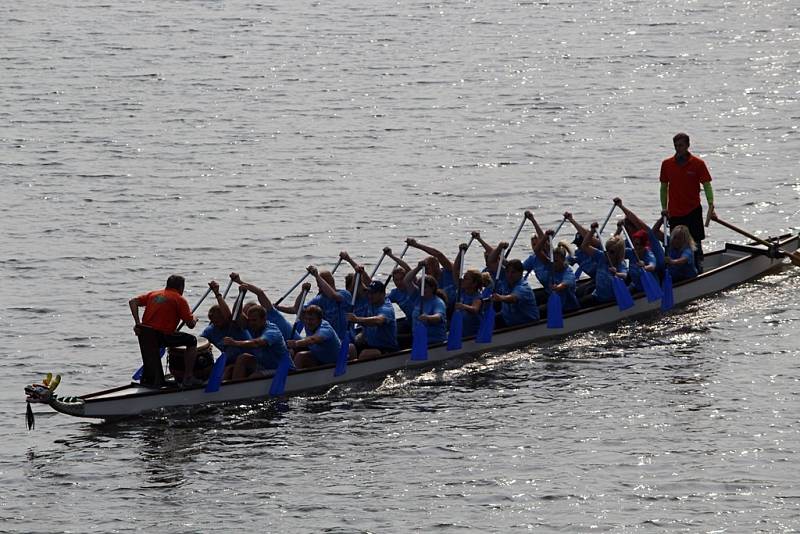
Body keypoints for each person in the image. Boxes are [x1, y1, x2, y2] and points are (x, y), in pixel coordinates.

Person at [129, 274, 199, 387]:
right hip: (162, 336)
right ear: (181, 287)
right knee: (192, 340)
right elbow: (191, 324)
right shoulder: (179, 299)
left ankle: (151, 378)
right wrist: (194, 318)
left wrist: (138, 323)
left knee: (169, 339)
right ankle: (188, 377)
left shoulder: (153, 295)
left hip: (146, 334)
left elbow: (133, 302)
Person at [660, 132, 715, 272]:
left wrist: (711, 205)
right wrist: (664, 208)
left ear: (688, 145)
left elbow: (707, 185)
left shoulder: (698, 164)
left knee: (695, 242)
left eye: (681, 145)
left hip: (693, 209)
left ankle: (699, 267)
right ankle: (676, 269)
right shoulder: (667, 164)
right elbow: (663, 187)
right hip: (675, 212)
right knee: (676, 243)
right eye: (676, 146)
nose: (678, 148)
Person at [224, 305, 289, 380]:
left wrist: (235, 343)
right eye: (250, 320)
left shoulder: (272, 332)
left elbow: (256, 343)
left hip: (282, 368)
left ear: (264, 319)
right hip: (264, 366)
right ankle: (235, 387)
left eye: (254, 320)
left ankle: (242, 388)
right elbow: (237, 314)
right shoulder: (254, 326)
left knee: (255, 377)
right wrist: (241, 294)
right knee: (243, 357)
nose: (251, 323)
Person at [229, 273, 297, 342]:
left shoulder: (271, 313)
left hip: (298, 344)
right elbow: (237, 314)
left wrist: (239, 282)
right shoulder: (250, 325)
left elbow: (260, 293)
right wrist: (241, 295)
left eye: (253, 318)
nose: (250, 321)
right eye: (248, 318)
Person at [201, 280, 251, 369]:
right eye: (214, 321)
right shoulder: (210, 331)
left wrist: (217, 293)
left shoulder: (235, 323)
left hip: (248, 360)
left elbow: (229, 315)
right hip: (229, 361)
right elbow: (199, 342)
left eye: (219, 319)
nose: (216, 323)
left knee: (229, 370)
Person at [346, 280, 398, 360]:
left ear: (382, 294)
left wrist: (357, 319)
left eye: (373, 293)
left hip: (387, 349)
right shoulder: (371, 302)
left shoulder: (386, 309)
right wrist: (358, 271)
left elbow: (378, 320)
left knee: (364, 354)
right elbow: (357, 286)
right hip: (371, 345)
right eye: (369, 293)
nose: (370, 295)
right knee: (350, 348)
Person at [578, 223, 628, 305]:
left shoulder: (620, 264)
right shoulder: (602, 256)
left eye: (611, 252)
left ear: (618, 253)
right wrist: (592, 231)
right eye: (607, 250)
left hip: (611, 299)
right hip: (597, 296)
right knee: (579, 297)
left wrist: (616, 273)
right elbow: (584, 246)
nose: (608, 253)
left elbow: (624, 275)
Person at [533, 232, 580, 312]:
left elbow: (564, 285)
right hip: (556, 304)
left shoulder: (568, 273)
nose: (554, 264)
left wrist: (557, 287)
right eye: (553, 261)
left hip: (569, 308)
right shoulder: (551, 265)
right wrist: (545, 237)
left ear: (563, 260)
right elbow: (537, 251)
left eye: (556, 261)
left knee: (537, 311)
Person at [405, 261, 448, 344]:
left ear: (432, 288)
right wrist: (418, 268)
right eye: (420, 287)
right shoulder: (417, 297)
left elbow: (438, 316)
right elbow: (407, 280)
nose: (422, 290)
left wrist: (428, 318)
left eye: (425, 287)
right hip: (419, 340)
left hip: (435, 342)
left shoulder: (438, 302)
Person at [287, 305, 343, 369]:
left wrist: (296, 343)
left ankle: (292, 377)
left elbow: (313, 340)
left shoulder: (325, 329)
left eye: (311, 319)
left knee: (300, 356)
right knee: (291, 351)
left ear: (319, 320)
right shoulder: (308, 323)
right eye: (306, 319)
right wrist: (302, 294)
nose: (308, 322)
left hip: (332, 363)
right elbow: (297, 308)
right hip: (318, 357)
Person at [492, 259, 539, 327]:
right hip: (509, 320)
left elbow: (513, 298)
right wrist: (500, 248)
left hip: (526, 324)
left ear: (520, 273)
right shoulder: (506, 280)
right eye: (508, 272)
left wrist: (500, 298)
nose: (509, 275)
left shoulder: (524, 288)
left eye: (513, 272)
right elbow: (492, 260)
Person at [615, 221, 658, 293]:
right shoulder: (631, 252)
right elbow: (613, 247)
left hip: (650, 287)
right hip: (635, 285)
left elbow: (652, 266)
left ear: (644, 245)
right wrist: (619, 230)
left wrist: (644, 266)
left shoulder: (649, 255)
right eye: (635, 244)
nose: (637, 247)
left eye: (639, 244)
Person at [453, 269, 490, 337]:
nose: (463, 280)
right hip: (462, 331)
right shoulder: (462, 291)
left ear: (474, 284)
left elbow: (475, 309)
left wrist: (463, 306)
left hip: (474, 334)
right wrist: (459, 257)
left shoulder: (477, 297)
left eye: (466, 279)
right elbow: (455, 272)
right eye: (463, 278)